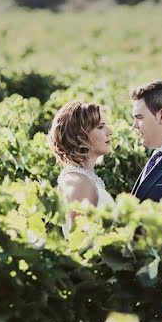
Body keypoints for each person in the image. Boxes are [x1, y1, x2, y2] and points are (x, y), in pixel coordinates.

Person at [47, 100, 113, 238]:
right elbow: (80, 242)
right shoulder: (79, 183)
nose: (109, 132)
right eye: (100, 127)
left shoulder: (82, 178)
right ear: (80, 135)